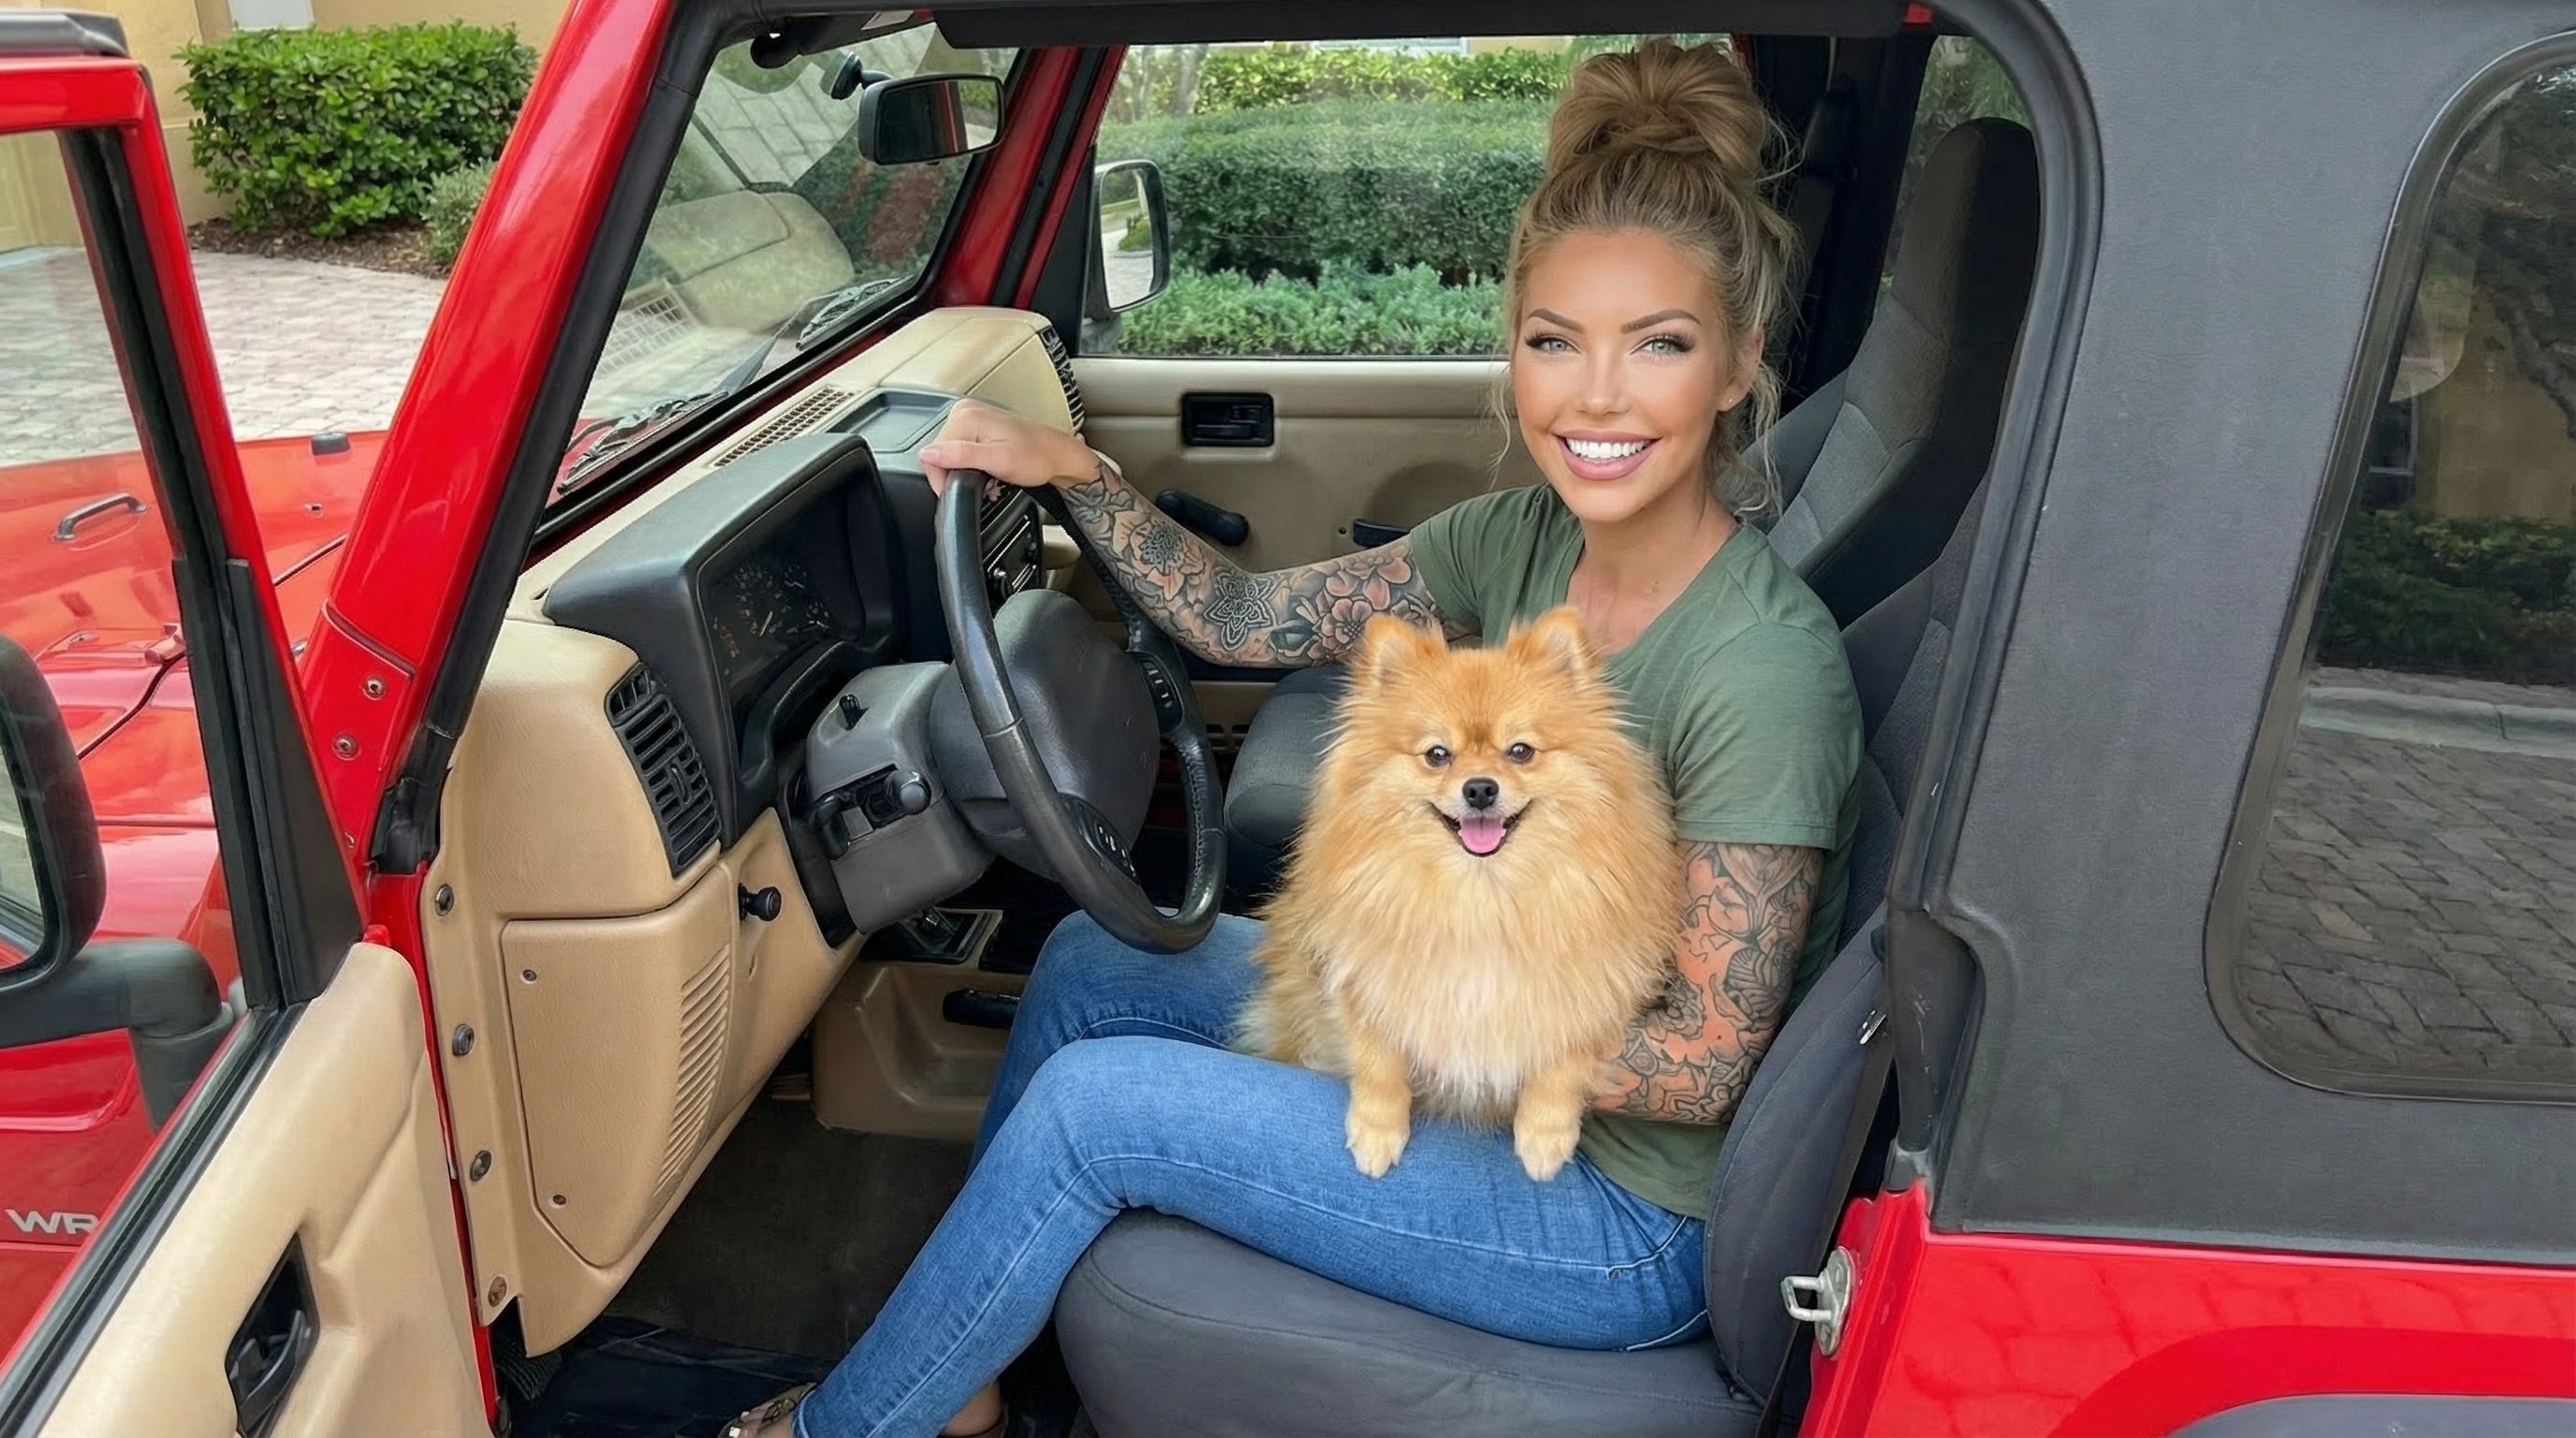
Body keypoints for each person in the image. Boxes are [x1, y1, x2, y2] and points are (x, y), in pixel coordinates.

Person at [726, 39, 1864, 1438]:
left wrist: (1411, 1024)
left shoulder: (1760, 669)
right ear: (1513, 349)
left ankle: (853, 1431)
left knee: (1097, 1110)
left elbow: (1704, 1061)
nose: (1598, 399)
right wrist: (1074, 474)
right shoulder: (1520, 540)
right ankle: (967, 1386)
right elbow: (1248, 620)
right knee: (1090, 962)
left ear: (1743, 364)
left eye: (1663, 345)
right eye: (1556, 341)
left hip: (1616, 1208)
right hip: (1466, 1050)